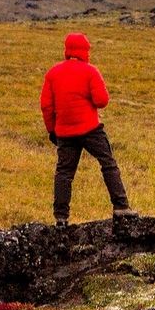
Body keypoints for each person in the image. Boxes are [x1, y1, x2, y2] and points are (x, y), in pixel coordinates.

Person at [40, 32, 136, 227]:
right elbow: (102, 101)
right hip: (90, 129)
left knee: (64, 173)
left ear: (67, 50)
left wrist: (53, 131)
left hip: (65, 132)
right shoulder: (90, 72)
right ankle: (121, 207)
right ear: (85, 51)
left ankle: (61, 218)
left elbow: (46, 106)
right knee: (108, 163)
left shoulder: (52, 73)